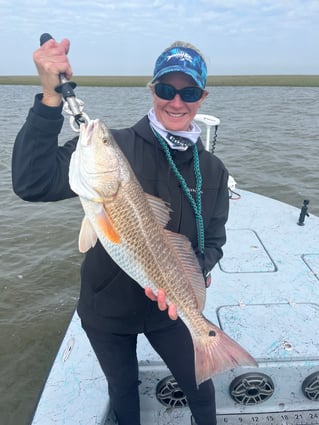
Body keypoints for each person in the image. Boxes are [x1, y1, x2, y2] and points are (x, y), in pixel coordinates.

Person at [12, 38, 229, 425]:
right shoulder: (118, 148)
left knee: (203, 391)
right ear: (152, 90)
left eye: (189, 92)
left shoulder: (212, 170)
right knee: (123, 392)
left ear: (202, 97)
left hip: (172, 309)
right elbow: (31, 181)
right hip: (107, 311)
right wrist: (49, 98)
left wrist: (192, 268)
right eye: (166, 89)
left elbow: (214, 239)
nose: (176, 102)